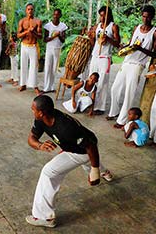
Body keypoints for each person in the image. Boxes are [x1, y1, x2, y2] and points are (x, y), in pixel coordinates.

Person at [25, 95, 113, 228]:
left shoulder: (66, 127)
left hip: (83, 151)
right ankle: (105, 172)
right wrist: (40, 145)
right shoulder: (41, 119)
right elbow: (31, 138)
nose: (32, 111)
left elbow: (90, 146)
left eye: (33, 109)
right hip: (73, 147)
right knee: (88, 162)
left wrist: (94, 171)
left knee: (48, 172)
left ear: (41, 112)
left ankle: (44, 217)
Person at [107, 5, 156, 128]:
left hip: (138, 65)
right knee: (115, 88)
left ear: (152, 17)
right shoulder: (137, 28)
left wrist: (141, 49)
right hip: (127, 62)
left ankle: (122, 120)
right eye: (143, 16)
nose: (145, 19)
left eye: (148, 17)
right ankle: (114, 112)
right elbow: (131, 44)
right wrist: (124, 47)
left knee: (129, 93)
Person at [87, 6, 120, 115]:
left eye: (104, 15)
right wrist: (91, 37)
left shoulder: (113, 27)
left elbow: (117, 44)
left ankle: (99, 107)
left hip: (105, 58)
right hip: (95, 56)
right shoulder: (97, 26)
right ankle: (89, 103)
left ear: (109, 15)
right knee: (91, 80)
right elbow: (93, 43)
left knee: (102, 82)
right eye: (101, 15)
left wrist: (108, 39)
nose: (102, 17)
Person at [17, 3, 42, 94]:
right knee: (23, 65)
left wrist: (34, 32)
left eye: (31, 9)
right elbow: (18, 35)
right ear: (26, 11)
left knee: (34, 66)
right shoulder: (22, 21)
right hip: (24, 45)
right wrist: (27, 31)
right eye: (28, 9)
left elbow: (40, 36)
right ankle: (23, 84)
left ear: (33, 10)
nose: (30, 11)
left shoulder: (38, 21)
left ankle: (34, 86)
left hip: (33, 46)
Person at [42, 8, 68, 93]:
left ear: (60, 15)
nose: (56, 16)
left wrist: (59, 35)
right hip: (49, 48)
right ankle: (46, 87)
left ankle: (52, 87)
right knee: (47, 67)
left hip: (57, 48)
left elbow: (63, 40)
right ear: (53, 15)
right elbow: (45, 39)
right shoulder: (48, 26)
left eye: (57, 14)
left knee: (54, 68)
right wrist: (54, 36)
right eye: (54, 14)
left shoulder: (63, 26)